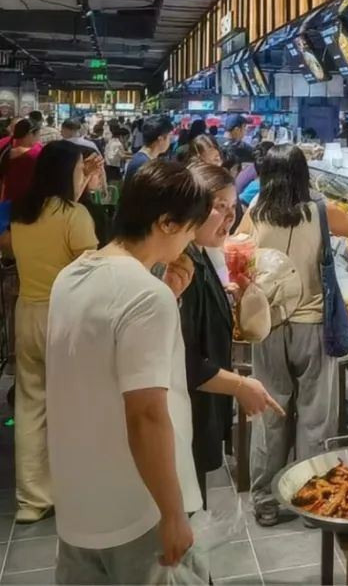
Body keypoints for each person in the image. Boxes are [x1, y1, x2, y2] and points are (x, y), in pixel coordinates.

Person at [46, 160, 210, 583]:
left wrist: (166, 292)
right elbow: (146, 415)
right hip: (137, 508)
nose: (192, 240)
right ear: (167, 223)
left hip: (79, 505)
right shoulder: (146, 297)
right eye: (191, 228)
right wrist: (173, 514)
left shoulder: (70, 276)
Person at [238, 144, 348, 526]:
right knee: (316, 417)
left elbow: (235, 251)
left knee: (270, 414)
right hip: (313, 325)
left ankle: (265, 501)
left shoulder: (255, 211)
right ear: (304, 174)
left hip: (268, 325)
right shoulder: (321, 211)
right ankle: (310, 499)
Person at [180, 163, 282, 506]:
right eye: (219, 206)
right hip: (187, 412)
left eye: (233, 206)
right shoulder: (181, 267)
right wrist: (240, 386)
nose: (230, 216)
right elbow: (184, 359)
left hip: (200, 409)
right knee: (186, 504)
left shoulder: (201, 255)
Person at [9, 142, 100, 523]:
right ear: (67, 174)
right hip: (64, 318)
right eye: (80, 170)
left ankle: (31, 499)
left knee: (30, 405)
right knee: (72, 405)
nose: (83, 176)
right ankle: (74, 487)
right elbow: (90, 270)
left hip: (26, 314)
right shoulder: (74, 216)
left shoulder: (22, 212)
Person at [2, 119, 42, 202]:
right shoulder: (35, 153)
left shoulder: (5, 146)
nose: (39, 138)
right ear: (30, 134)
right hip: (29, 200)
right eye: (38, 134)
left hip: (9, 197)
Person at [125, 115, 174, 182]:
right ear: (161, 139)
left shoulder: (143, 159)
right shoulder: (143, 164)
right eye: (169, 137)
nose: (170, 141)